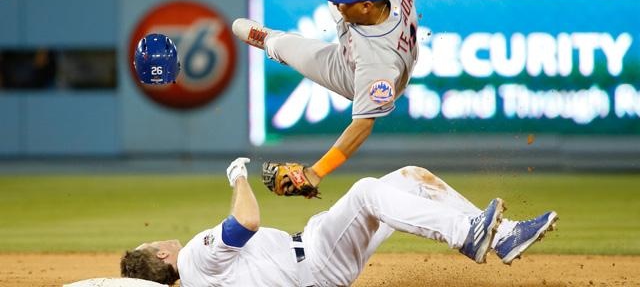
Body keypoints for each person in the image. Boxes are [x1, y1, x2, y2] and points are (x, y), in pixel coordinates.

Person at [121, 158, 558, 286]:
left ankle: (501, 235)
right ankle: (470, 234)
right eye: (150, 245)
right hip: (314, 261)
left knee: (411, 179)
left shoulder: (199, 280)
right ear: (161, 255)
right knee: (368, 190)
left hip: (314, 254)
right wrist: (238, 177)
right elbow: (246, 220)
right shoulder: (195, 258)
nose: (157, 240)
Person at [232, 0, 419, 188]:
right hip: (369, 42)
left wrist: (316, 172)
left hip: (355, 75)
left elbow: (363, 125)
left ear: (366, 6)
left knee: (293, 46)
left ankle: (273, 43)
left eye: (345, 0)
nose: (337, 1)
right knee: (293, 39)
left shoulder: (376, 61)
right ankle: (271, 41)